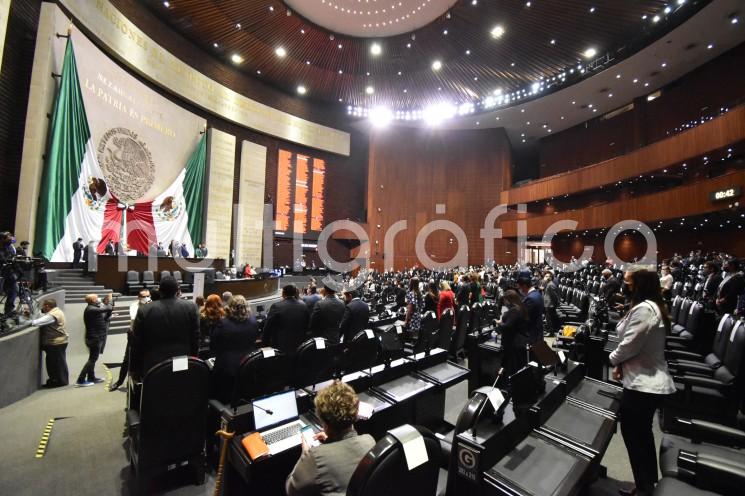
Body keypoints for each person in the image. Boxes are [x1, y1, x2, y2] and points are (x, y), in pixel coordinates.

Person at [609, 268, 676, 496]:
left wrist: (613, 359)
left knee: (635, 438)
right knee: (643, 436)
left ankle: (644, 487)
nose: (624, 286)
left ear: (639, 285)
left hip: (643, 385)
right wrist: (621, 363)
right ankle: (646, 485)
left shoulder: (645, 310)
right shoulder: (650, 307)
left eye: (628, 283)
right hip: (643, 382)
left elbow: (629, 345)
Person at [286, 381, 375, 496]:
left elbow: (291, 490)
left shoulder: (316, 457)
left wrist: (304, 454)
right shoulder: (369, 441)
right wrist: (330, 439)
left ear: (325, 425)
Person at [130, 276, 199, 380]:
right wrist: (194, 360)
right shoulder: (191, 307)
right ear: (177, 291)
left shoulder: (145, 310)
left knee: (156, 393)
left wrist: (134, 368)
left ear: (160, 291)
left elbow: (137, 342)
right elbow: (196, 337)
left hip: (154, 363)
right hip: (182, 360)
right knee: (179, 389)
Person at [210, 295, 259, 402]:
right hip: (249, 364)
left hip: (227, 368)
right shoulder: (253, 321)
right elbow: (255, 338)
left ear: (230, 307)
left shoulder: (223, 323)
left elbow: (213, 344)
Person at [109, 289, 151, 391]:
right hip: (133, 335)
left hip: (146, 336)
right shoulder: (134, 306)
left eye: (148, 296)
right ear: (139, 297)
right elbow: (135, 318)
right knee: (127, 359)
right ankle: (119, 382)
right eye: (144, 296)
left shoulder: (152, 305)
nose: (147, 298)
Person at [29, 299, 69, 388]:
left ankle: (57, 381)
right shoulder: (57, 311)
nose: (42, 307)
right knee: (59, 363)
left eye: (43, 305)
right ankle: (60, 380)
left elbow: (36, 322)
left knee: (54, 364)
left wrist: (26, 321)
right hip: (59, 342)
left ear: (47, 306)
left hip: (56, 343)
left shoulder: (52, 315)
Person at [76, 293, 113, 386]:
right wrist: (109, 300)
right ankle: (80, 380)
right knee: (92, 359)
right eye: (97, 298)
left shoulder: (94, 309)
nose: (99, 299)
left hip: (97, 337)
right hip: (94, 338)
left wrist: (110, 313)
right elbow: (108, 308)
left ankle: (91, 377)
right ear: (93, 300)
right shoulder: (91, 309)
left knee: (92, 358)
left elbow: (105, 317)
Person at [263, 284, 310, 355]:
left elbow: (268, 326)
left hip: (282, 345)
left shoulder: (276, 306)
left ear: (283, 293)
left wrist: (265, 342)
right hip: (300, 344)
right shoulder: (303, 305)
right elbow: (307, 324)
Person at [496, 290, 530, 378]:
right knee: (517, 366)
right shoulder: (521, 307)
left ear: (508, 300)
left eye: (505, 300)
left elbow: (507, 327)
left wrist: (499, 323)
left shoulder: (514, 311)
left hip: (513, 343)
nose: (504, 303)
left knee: (513, 368)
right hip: (520, 341)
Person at [516, 272, 544, 345]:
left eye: (520, 287)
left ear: (524, 286)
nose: (520, 290)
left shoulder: (530, 298)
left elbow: (526, 318)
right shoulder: (537, 293)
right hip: (537, 330)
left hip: (532, 333)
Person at [0, 232, 18, 315]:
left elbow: (11, 257)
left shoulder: (9, 247)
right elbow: (3, 259)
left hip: (8, 272)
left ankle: (8, 310)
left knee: (14, 289)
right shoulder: (2, 247)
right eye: (8, 237)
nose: (11, 239)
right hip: (3, 271)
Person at [542, 272, 560, 337]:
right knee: (548, 318)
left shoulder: (551, 284)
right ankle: (550, 331)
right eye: (546, 276)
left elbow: (555, 296)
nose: (547, 277)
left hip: (550, 304)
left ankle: (551, 332)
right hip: (548, 304)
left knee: (550, 319)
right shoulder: (548, 284)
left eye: (548, 276)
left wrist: (555, 304)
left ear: (551, 277)